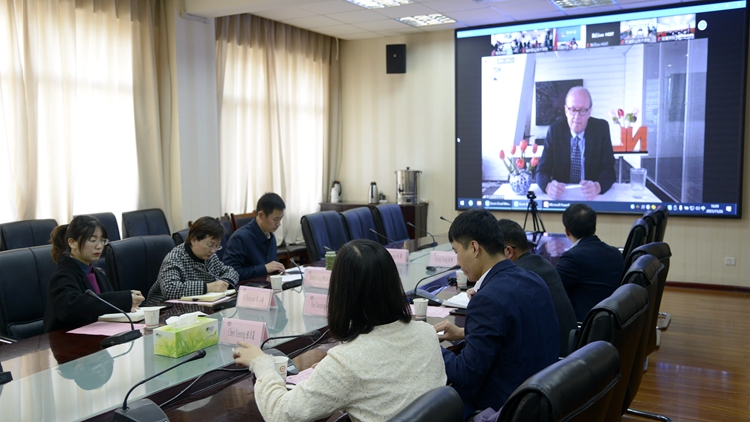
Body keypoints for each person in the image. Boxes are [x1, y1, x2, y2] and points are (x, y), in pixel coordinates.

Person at [232, 239, 446, 421]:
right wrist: (332, 375)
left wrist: (261, 364)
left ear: (341, 293)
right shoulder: (427, 333)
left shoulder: (346, 363)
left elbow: (280, 413)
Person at [433, 209, 559, 415]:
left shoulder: (487, 299)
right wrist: (466, 333)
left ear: (474, 248)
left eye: (456, 251)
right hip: (541, 402)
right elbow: (515, 334)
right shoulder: (534, 279)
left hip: (502, 409)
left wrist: (427, 345)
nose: (457, 261)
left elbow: (466, 374)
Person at [43, 215, 144, 332]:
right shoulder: (62, 275)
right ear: (72, 243)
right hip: (69, 339)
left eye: (102, 240)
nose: (99, 246)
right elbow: (70, 306)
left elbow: (106, 306)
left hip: (100, 333)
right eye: (92, 240)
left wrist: (129, 302)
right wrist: (122, 300)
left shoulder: (98, 273)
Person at [497, 219, 577, 356]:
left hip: (550, 359)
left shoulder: (518, 277)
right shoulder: (543, 264)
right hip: (567, 355)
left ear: (508, 252)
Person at [536, 86, 616, 200]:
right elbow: (541, 171)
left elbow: (610, 171)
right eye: (573, 110)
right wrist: (548, 187)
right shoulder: (554, 131)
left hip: (591, 197)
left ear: (589, 112)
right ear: (566, 111)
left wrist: (597, 187)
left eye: (583, 110)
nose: (577, 117)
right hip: (562, 197)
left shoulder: (601, 129)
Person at [556, 204, 624, 321]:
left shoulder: (572, 258)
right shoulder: (616, 253)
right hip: (612, 320)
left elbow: (551, 288)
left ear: (567, 231)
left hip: (584, 324)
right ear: (594, 227)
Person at [147, 217, 239, 303]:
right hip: (164, 308)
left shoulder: (210, 256)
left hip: (199, 304)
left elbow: (231, 271)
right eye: (210, 245)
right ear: (194, 240)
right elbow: (169, 289)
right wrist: (207, 287)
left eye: (217, 246)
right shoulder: (175, 258)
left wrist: (225, 282)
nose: (213, 250)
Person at [224, 193, 286, 280]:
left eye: (280, 219)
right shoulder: (240, 238)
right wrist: (264, 268)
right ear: (261, 215)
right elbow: (231, 273)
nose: (279, 224)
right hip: (247, 287)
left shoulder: (271, 236)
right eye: (275, 219)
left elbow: (271, 267)